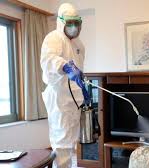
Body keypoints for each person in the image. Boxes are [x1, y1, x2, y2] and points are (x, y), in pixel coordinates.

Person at [40, 3, 90, 168]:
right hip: (59, 98)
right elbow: (48, 60)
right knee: (61, 143)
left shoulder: (79, 45)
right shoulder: (54, 38)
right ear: (61, 22)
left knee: (72, 143)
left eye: (76, 22)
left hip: (75, 100)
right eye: (70, 23)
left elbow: (79, 72)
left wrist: (84, 91)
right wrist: (66, 66)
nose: (74, 27)